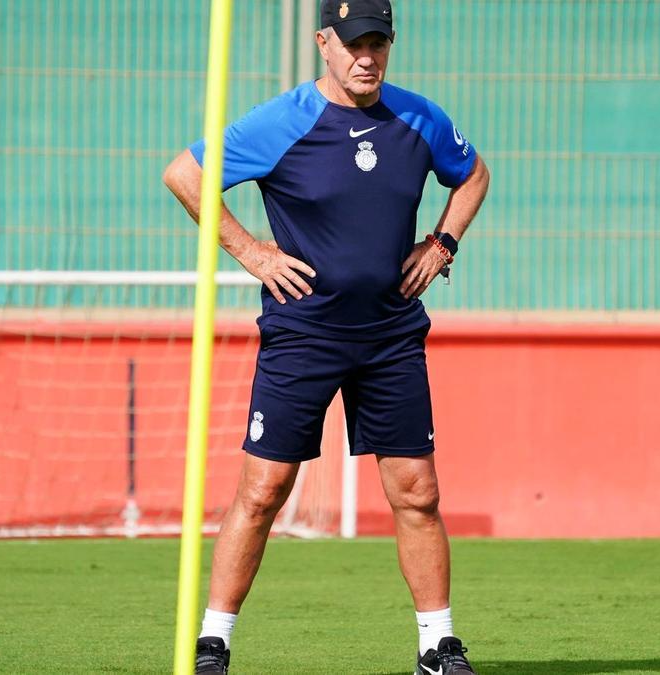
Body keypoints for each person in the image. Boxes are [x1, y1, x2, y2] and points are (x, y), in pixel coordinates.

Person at [162, 1, 489, 672]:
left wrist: (444, 242)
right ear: (323, 43)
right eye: (353, 42)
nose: (366, 55)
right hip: (304, 333)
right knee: (263, 490)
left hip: (391, 333)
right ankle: (214, 643)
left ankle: (437, 644)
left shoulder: (418, 117)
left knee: (418, 491)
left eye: (379, 41)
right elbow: (186, 175)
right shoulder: (282, 121)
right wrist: (252, 251)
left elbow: (474, 173)